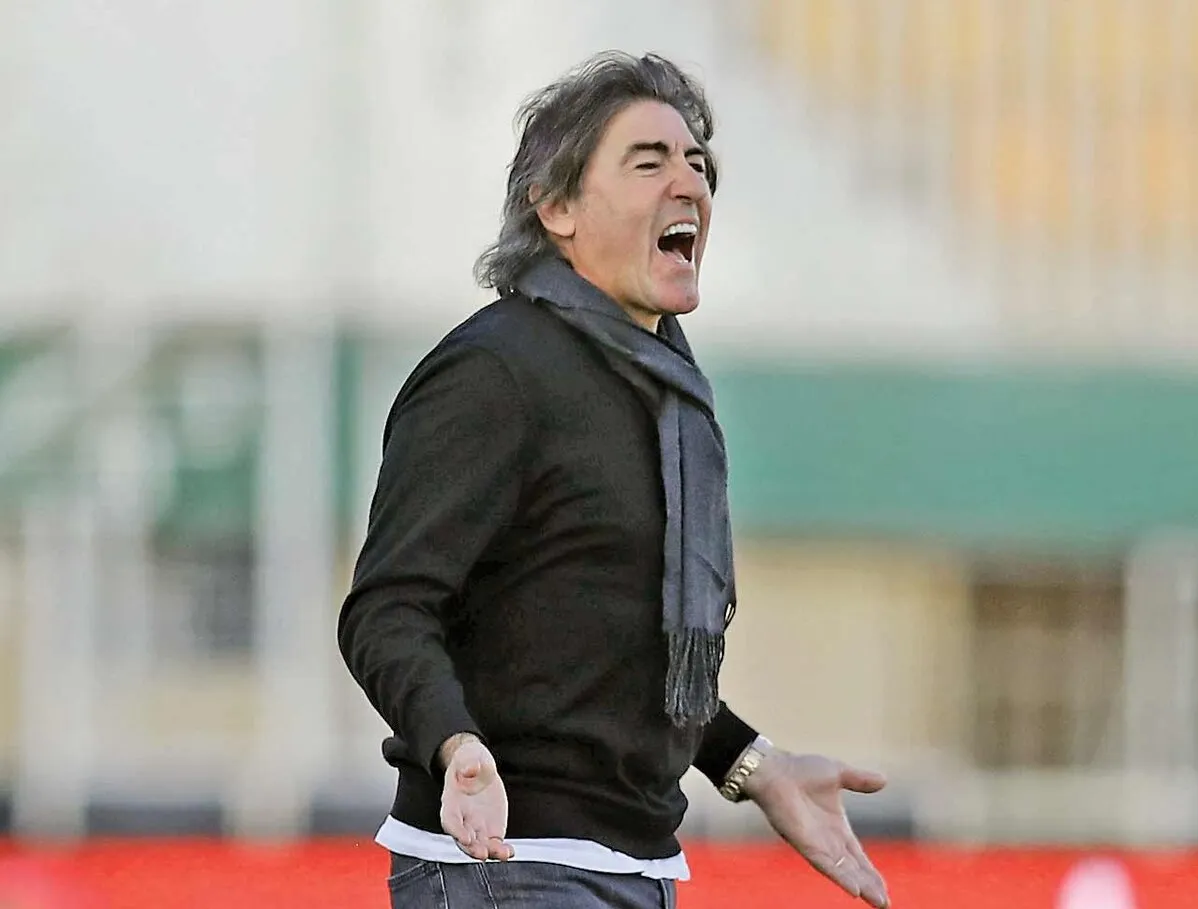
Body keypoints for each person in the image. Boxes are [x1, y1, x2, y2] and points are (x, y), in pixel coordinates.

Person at [337, 50, 891, 909]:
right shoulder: (493, 372)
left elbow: (610, 649)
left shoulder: (667, 397)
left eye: (698, 163)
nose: (690, 182)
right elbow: (386, 608)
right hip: (505, 864)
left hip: (636, 867)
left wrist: (754, 765)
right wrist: (456, 745)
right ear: (556, 206)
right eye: (649, 161)